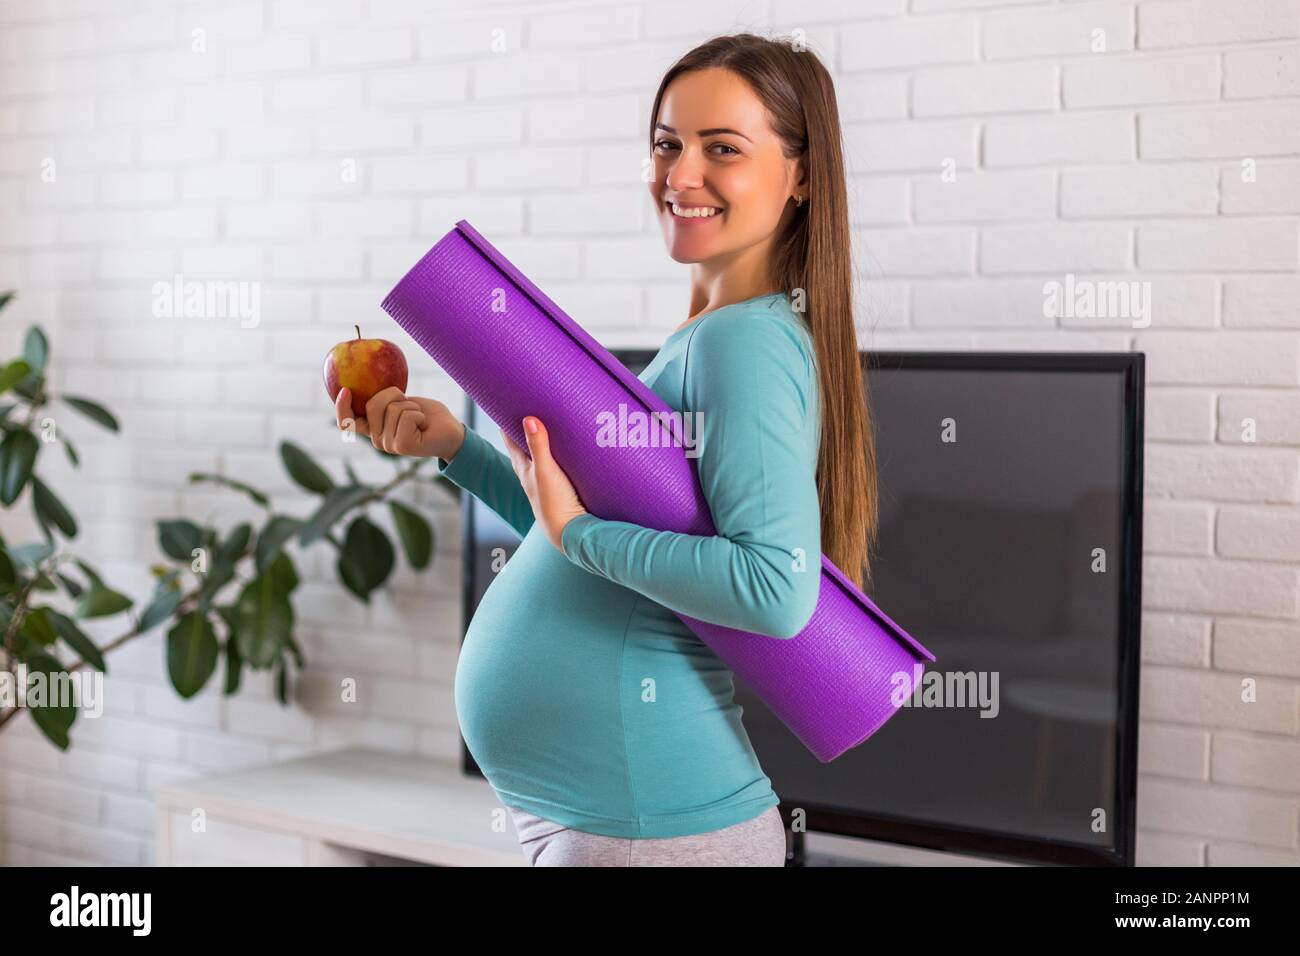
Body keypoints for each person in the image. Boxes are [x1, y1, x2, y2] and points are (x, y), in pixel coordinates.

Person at [333, 32, 880, 867]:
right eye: (667, 144)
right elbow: (591, 528)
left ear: (801, 175)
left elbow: (773, 589)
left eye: (721, 149)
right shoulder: (714, 336)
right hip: (623, 823)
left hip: (653, 830)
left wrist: (579, 535)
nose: (680, 174)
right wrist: (457, 447)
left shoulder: (746, 346)